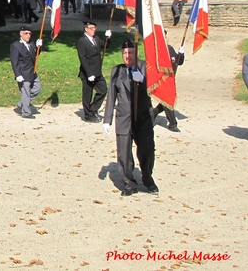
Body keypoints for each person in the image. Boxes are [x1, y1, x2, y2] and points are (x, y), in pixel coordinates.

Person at [103, 39, 159, 196]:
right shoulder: (117, 71)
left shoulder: (145, 68)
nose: (128, 56)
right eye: (125, 53)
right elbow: (111, 96)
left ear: (136, 53)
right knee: (124, 154)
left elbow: (156, 87)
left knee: (147, 151)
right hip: (124, 118)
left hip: (142, 118)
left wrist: (143, 80)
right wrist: (107, 120)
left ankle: (148, 179)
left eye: (131, 53)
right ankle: (129, 183)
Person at [77, 20, 112, 122]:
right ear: (86, 29)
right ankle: (88, 115)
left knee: (103, 90)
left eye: (95, 28)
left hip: (97, 72)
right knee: (87, 94)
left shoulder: (95, 39)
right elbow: (82, 58)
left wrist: (108, 37)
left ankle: (93, 109)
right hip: (88, 73)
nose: (94, 30)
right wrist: (89, 74)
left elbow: (106, 46)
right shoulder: (82, 41)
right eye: (92, 28)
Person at [151, 30, 184, 132]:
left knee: (168, 100)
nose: (164, 39)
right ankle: (172, 123)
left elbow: (178, 62)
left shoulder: (169, 49)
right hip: (161, 80)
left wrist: (181, 54)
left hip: (170, 79)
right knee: (167, 100)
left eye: (165, 37)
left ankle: (153, 113)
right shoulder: (156, 50)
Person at [10, 26, 43, 119]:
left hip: (32, 71)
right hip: (23, 73)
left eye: (29, 33)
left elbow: (35, 54)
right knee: (26, 93)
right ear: (21, 34)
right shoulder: (15, 45)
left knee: (37, 88)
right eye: (26, 33)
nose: (28, 36)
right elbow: (14, 61)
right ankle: (26, 112)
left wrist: (38, 47)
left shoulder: (31, 43)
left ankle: (22, 103)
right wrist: (17, 75)